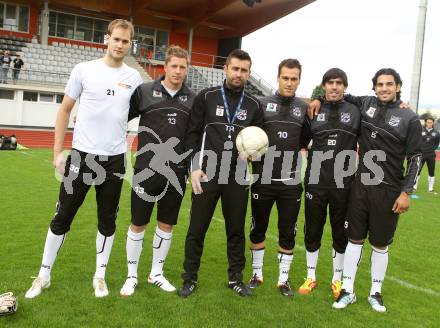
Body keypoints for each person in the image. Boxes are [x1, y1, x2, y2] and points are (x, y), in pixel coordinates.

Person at [25, 19, 143, 299]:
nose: (120, 44)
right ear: (107, 39)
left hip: (115, 160)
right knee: (62, 216)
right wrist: (57, 153)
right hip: (82, 157)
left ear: (130, 44)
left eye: (126, 41)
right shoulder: (84, 70)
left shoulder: (135, 78)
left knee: (107, 221)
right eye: (116, 39)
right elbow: (65, 110)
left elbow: (134, 112)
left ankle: (99, 276)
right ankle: (44, 275)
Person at [329, 68, 422, 312]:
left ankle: (375, 292)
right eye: (380, 84)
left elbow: (415, 158)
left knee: (380, 244)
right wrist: (318, 98)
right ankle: (347, 290)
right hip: (360, 186)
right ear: (374, 87)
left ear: (398, 87)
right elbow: (340, 95)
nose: (384, 88)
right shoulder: (365, 103)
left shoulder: (409, 119)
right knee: (354, 239)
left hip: (389, 190)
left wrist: (406, 192)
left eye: (389, 84)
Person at [178, 49, 264, 298]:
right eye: (235, 68)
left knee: (236, 229)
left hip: (237, 175)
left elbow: (260, 145)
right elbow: (192, 134)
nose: (239, 74)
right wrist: (193, 167)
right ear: (225, 68)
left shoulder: (254, 105)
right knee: (197, 228)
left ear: (248, 73)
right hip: (207, 173)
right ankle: (189, 278)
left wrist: (254, 155)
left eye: (244, 70)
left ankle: (235, 278)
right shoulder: (206, 97)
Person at [119, 45, 196, 296]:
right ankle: (131, 276)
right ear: (165, 67)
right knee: (138, 223)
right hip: (146, 170)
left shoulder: (193, 99)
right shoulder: (144, 91)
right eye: (173, 66)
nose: (177, 71)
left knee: (166, 224)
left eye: (182, 67)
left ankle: (156, 273)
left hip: (176, 172)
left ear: (187, 70)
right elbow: (120, 118)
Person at [247, 59, 308, 297]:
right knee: (257, 228)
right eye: (286, 77)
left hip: (291, 182)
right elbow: (251, 137)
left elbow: (304, 140)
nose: (289, 82)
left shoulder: (304, 108)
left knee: (288, 231)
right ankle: (257, 274)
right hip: (262, 178)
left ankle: (283, 280)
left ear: (299, 80)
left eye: (294, 78)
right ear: (278, 77)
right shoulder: (262, 104)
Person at [297, 68, 360, 299]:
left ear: (345, 86)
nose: (334, 86)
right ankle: (311, 276)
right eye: (330, 83)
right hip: (315, 181)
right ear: (324, 86)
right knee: (312, 229)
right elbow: (301, 141)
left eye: (339, 83)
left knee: (340, 232)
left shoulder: (355, 110)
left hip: (343, 184)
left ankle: (337, 279)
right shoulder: (313, 110)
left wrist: (401, 103)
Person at [413, 116, 439, 192]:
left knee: (431, 171)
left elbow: (436, 144)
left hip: (431, 155)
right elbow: (417, 141)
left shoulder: (436, 133)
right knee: (418, 170)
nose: (429, 124)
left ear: (433, 123)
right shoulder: (421, 130)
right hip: (421, 154)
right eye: (428, 122)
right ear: (425, 122)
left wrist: (431, 150)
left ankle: (430, 189)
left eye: (431, 122)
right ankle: (414, 187)